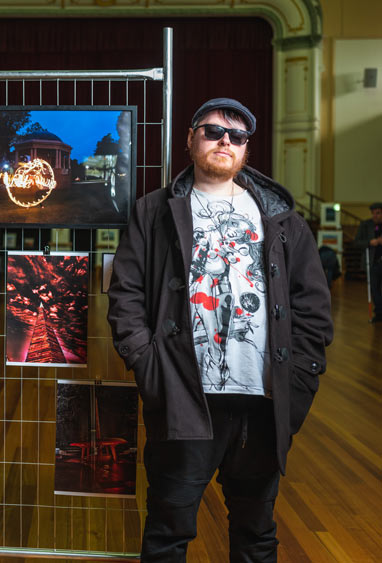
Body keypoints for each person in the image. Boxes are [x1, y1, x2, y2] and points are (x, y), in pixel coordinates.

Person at [107, 98, 333, 562]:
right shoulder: (154, 212)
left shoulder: (281, 218)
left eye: (238, 135)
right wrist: (149, 367)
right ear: (191, 141)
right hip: (183, 397)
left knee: (256, 534)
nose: (225, 140)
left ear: (246, 149)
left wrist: (301, 378)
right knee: (169, 531)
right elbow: (125, 296)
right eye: (212, 131)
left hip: (263, 404)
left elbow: (313, 307)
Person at [354, 202, 382, 322]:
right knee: (374, 289)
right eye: (373, 213)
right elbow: (357, 242)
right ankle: (379, 312)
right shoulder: (366, 225)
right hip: (373, 263)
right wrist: (371, 242)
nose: (375, 216)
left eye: (378, 213)